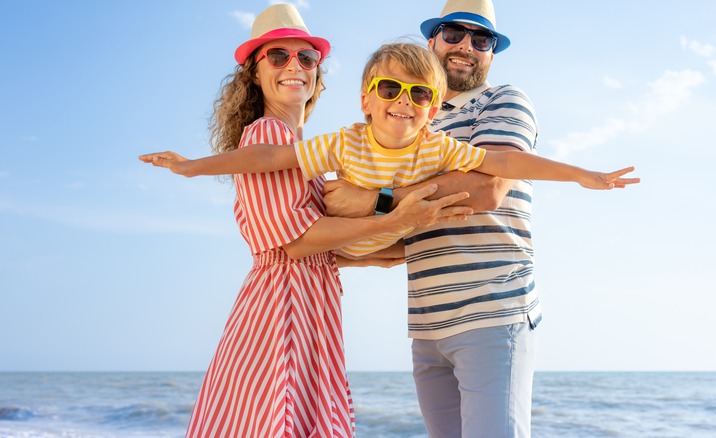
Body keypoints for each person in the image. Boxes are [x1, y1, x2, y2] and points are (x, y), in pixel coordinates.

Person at [146, 5, 474, 438]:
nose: (294, 66)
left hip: (305, 301)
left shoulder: (303, 149)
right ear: (254, 73)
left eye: (307, 57)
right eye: (277, 56)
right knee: (279, 421)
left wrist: (386, 246)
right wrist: (391, 216)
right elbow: (296, 244)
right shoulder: (267, 135)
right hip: (282, 308)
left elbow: (323, 249)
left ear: (318, 71)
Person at [321, 0, 607, 436]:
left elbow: (487, 188)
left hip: (493, 311)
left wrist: (370, 200)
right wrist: (346, 248)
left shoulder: (504, 100)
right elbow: (416, 228)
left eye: (482, 39)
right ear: (432, 41)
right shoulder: (413, 121)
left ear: (492, 52)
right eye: (454, 34)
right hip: (427, 322)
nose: (466, 46)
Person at [139, 43, 637, 260]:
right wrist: (192, 167)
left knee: (429, 225)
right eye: (390, 89)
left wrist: (581, 175)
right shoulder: (344, 142)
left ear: (434, 108)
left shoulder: (437, 145)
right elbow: (270, 158)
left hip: (378, 251)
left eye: (420, 94)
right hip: (339, 252)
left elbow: (504, 162)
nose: (404, 102)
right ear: (365, 100)